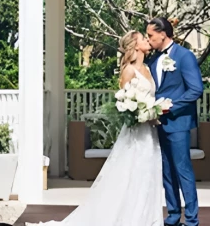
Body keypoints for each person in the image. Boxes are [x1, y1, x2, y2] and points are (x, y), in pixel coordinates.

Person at [36, 30, 164, 226]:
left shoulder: (148, 67)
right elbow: (124, 104)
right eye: (143, 38)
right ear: (135, 45)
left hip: (150, 132)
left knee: (148, 175)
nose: (147, 40)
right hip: (136, 133)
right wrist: (142, 113)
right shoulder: (129, 71)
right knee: (131, 175)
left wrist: (153, 112)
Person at [146, 17, 204, 226]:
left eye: (151, 35)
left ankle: (191, 219)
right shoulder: (152, 60)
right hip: (157, 124)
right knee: (167, 171)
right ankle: (172, 215)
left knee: (183, 170)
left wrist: (171, 105)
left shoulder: (184, 56)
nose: (148, 39)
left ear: (163, 34)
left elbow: (196, 89)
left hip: (178, 123)